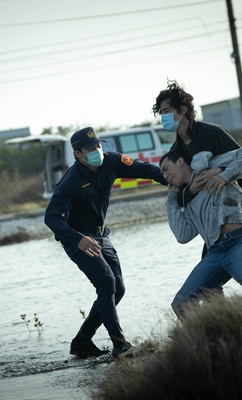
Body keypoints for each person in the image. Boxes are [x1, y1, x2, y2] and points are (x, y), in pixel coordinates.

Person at [152, 80, 242, 299]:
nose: (163, 117)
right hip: (212, 218)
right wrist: (192, 189)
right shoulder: (176, 152)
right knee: (208, 281)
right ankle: (223, 317)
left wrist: (220, 172)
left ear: (182, 110)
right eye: (161, 113)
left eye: (166, 111)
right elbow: (180, 194)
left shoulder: (211, 132)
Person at [44, 127, 168, 358]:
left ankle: (82, 341)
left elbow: (146, 169)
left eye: (99, 145)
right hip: (78, 239)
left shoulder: (111, 161)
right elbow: (51, 217)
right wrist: (77, 239)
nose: (97, 150)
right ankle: (120, 345)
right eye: (91, 149)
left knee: (117, 289)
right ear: (78, 154)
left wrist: (173, 180)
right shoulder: (71, 180)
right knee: (106, 282)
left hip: (101, 236)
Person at [160, 146, 242, 317]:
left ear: (180, 161)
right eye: (162, 174)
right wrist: (172, 199)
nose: (165, 176)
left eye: (166, 169)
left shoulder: (210, 165)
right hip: (215, 253)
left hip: (241, 241)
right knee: (181, 303)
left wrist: (222, 174)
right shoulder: (188, 200)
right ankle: (212, 333)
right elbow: (182, 235)